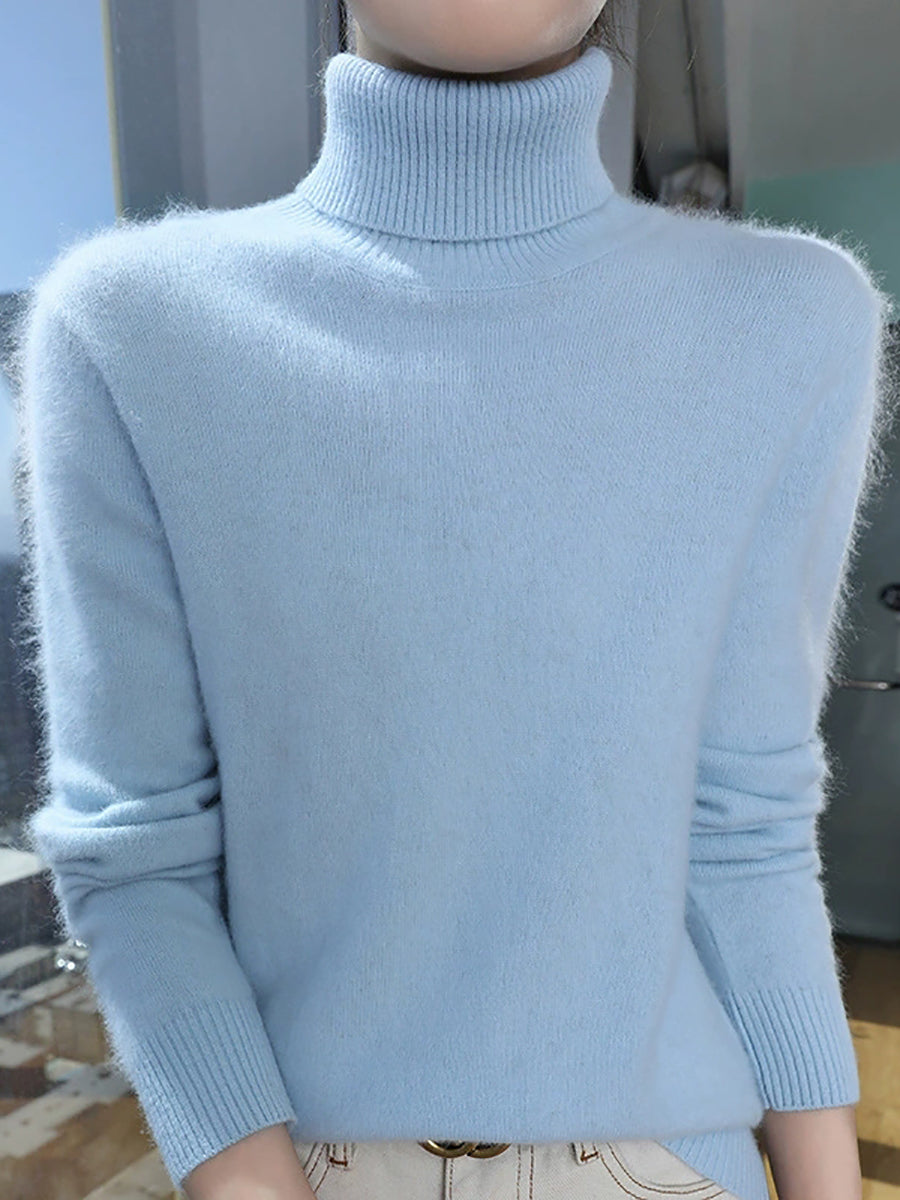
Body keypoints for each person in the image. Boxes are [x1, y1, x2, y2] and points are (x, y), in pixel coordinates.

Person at [12, 2, 894, 1199]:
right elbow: (135, 851)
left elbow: (747, 821)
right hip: (300, 1164)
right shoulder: (128, 326)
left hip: (682, 1161)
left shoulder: (794, 318)